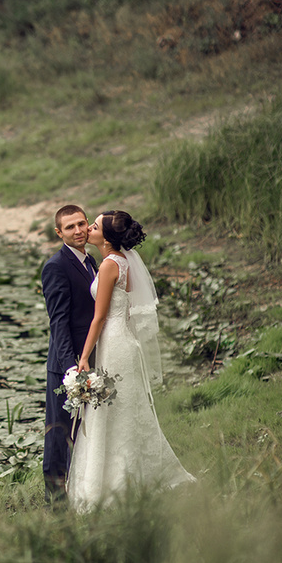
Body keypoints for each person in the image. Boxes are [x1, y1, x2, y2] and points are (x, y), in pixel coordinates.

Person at [68, 210, 195, 512]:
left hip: (114, 344)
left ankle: (114, 482)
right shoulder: (119, 263)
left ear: (107, 238)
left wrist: (84, 358)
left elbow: (100, 318)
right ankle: (123, 474)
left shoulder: (111, 265)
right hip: (120, 340)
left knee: (113, 409)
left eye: (94, 226)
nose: (89, 228)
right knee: (120, 409)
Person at [40, 204, 98, 501]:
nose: (78, 231)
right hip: (68, 365)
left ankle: (82, 493)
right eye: (70, 227)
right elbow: (58, 322)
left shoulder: (92, 262)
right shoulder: (56, 266)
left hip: (92, 360)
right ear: (59, 232)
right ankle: (55, 505)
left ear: (88, 224)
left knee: (87, 434)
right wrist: (69, 370)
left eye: (81, 224)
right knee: (59, 437)